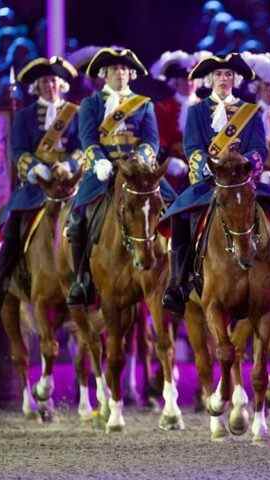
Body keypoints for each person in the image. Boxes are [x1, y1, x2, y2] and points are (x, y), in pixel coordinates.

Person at [160, 53, 270, 315]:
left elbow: (259, 148)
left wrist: (246, 161)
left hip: (244, 181)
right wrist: (206, 163)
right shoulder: (196, 111)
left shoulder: (251, 111)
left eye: (228, 74)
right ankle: (178, 283)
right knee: (180, 218)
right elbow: (192, 146)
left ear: (235, 79)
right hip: (210, 181)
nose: (223, 79)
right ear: (209, 79)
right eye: (218, 75)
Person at [65, 47, 175, 306]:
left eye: (125, 69)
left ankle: (180, 279)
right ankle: (82, 281)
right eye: (115, 69)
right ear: (104, 73)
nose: (120, 74)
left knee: (177, 208)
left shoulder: (144, 104)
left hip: (138, 172)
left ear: (131, 73)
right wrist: (99, 161)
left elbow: (152, 140)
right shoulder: (90, 104)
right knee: (76, 218)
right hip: (104, 171)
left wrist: (143, 158)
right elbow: (87, 139)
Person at [0, 56, 82, 306]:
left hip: (70, 185)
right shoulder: (24, 116)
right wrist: (36, 169)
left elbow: (83, 146)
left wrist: (69, 165)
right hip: (36, 186)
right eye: (45, 81)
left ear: (62, 84)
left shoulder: (76, 114)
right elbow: (18, 151)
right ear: (37, 86)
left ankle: (89, 280)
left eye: (54, 81)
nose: (51, 85)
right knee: (12, 224)